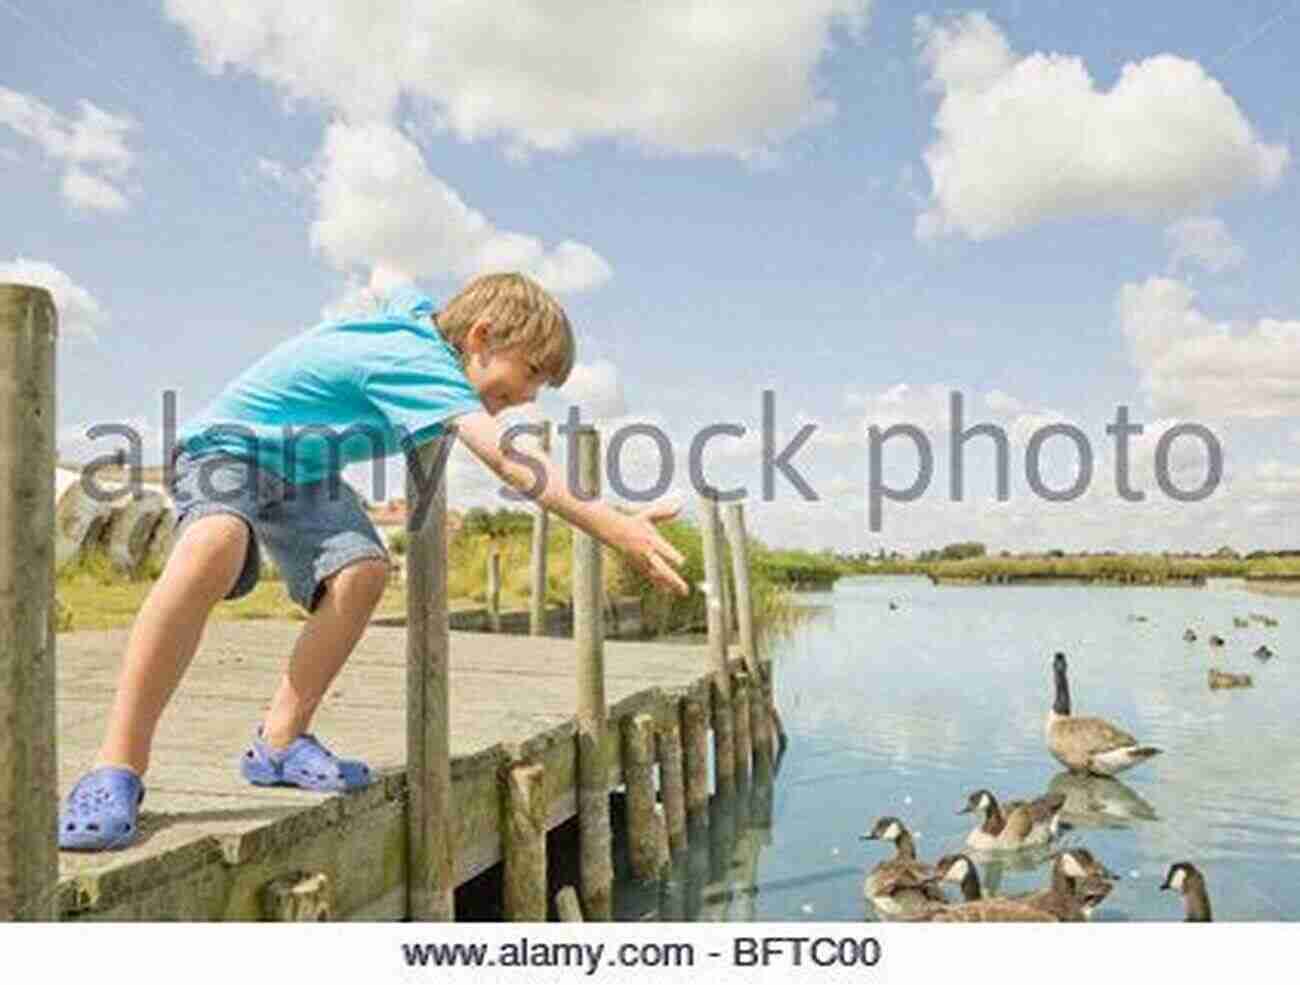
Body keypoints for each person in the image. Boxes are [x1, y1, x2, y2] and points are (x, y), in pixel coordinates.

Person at [58, 272, 688, 851]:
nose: (524, 398)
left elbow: (404, 300)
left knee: (362, 571)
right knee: (213, 545)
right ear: (482, 338)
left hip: (307, 473)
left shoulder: (416, 333)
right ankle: (116, 763)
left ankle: (278, 742)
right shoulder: (418, 359)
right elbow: (508, 459)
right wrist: (619, 530)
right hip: (229, 449)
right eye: (526, 375)